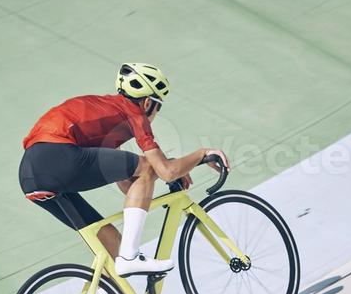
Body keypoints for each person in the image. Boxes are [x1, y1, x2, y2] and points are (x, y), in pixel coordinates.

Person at [19, 63, 229, 277]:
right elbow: (165, 171)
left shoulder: (105, 111)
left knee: (111, 244)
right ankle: (130, 257)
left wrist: (164, 172)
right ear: (148, 102)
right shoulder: (134, 114)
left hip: (30, 175)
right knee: (147, 167)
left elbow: (126, 183)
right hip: (58, 155)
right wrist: (202, 154)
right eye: (159, 106)